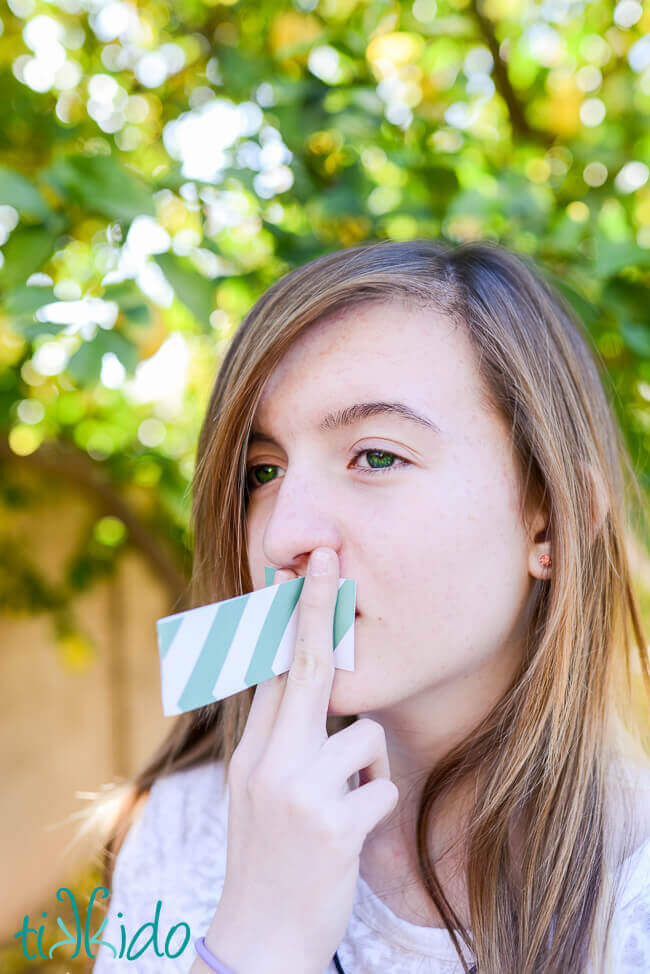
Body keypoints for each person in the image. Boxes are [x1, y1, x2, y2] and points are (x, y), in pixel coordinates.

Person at [89, 238, 650, 973]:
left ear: (554, 521)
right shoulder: (189, 824)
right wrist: (254, 943)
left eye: (376, 456)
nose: (286, 533)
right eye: (263, 470)